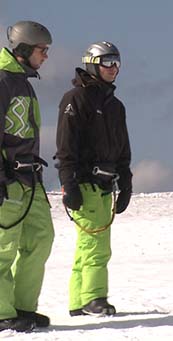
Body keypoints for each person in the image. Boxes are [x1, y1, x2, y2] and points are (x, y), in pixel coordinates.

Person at [55, 41, 132, 317]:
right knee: (96, 245)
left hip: (106, 185)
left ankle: (79, 301)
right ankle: (93, 298)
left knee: (88, 245)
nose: (114, 68)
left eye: (117, 63)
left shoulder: (114, 105)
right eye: (107, 62)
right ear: (92, 64)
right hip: (84, 182)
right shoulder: (75, 99)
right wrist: (69, 182)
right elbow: (65, 146)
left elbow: (122, 148)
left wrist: (126, 181)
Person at [0, 20, 54, 332]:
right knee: (4, 246)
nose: (46, 56)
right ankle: (2, 311)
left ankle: (21, 306)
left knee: (41, 238)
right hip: (8, 179)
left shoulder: (24, 83)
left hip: (29, 180)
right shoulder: (3, 81)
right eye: (41, 50)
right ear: (23, 50)